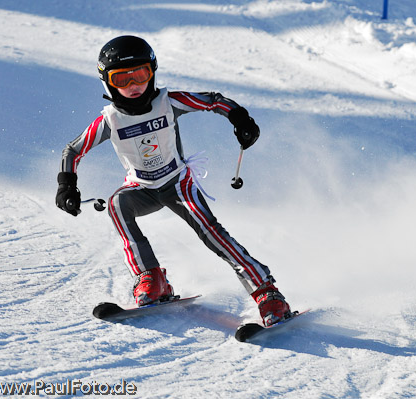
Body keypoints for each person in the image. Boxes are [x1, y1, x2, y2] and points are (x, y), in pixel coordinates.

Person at [56, 35, 292, 326]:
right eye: (122, 79)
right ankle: (151, 280)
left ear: (152, 72)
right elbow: (73, 150)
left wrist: (240, 119)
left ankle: (267, 293)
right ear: (107, 82)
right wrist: (67, 185)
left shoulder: (169, 102)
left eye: (140, 75)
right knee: (118, 204)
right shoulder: (109, 120)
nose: (133, 86)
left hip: (177, 183)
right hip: (140, 187)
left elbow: (214, 102)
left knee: (211, 233)